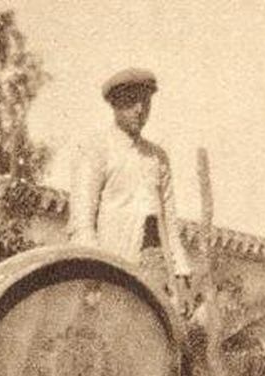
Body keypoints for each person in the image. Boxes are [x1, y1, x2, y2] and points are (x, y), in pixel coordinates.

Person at [67, 67, 193, 311]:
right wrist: (94, 275)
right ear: (115, 105)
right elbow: (81, 223)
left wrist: (181, 272)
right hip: (112, 268)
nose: (139, 109)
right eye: (131, 101)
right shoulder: (95, 149)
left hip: (154, 268)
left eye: (145, 102)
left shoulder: (157, 158)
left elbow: (169, 221)